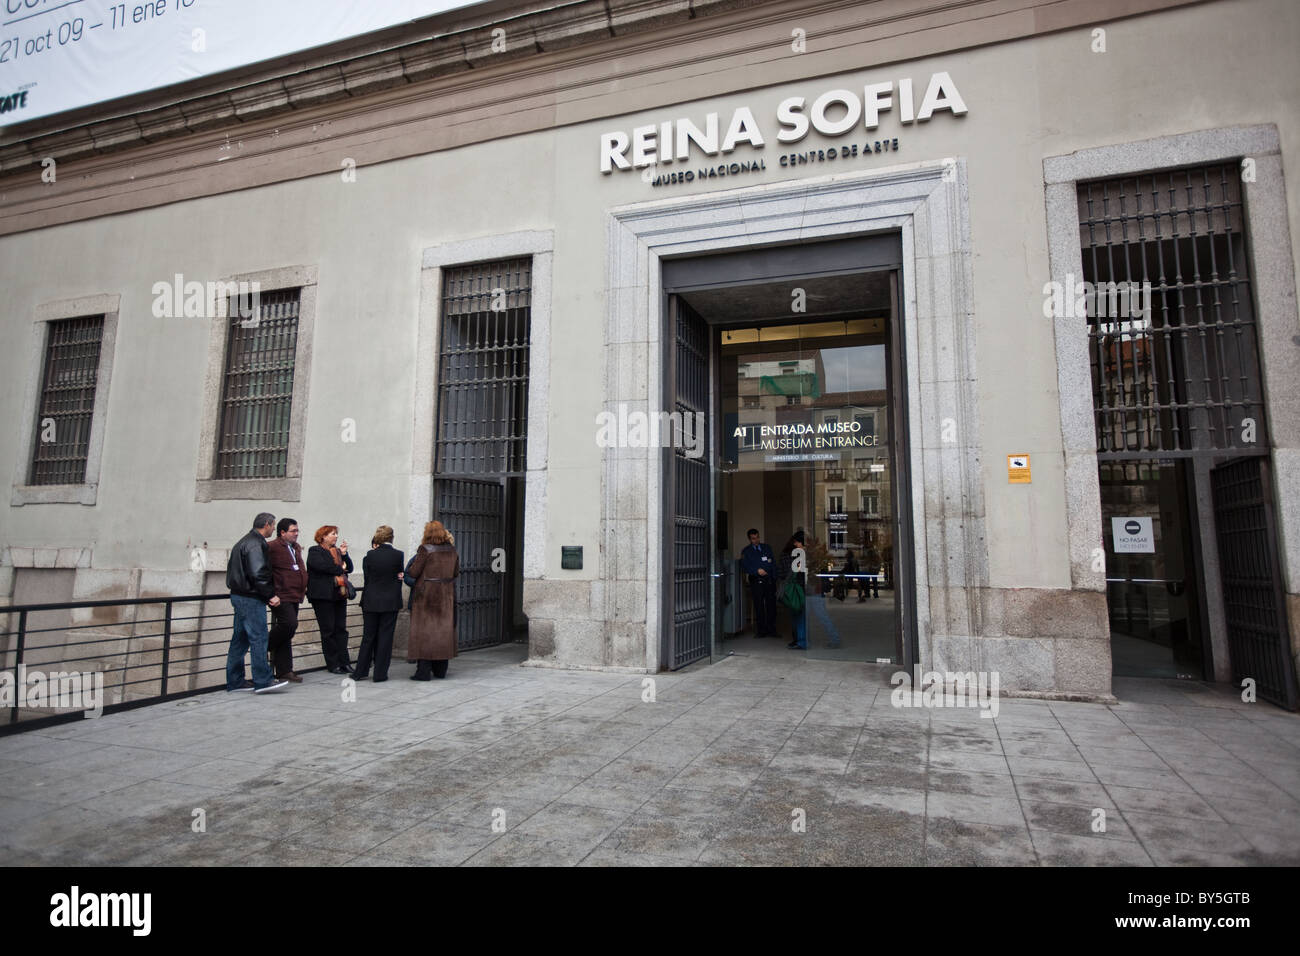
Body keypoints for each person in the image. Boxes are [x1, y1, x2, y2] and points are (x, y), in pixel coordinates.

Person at [225, 512, 289, 694]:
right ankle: (263, 680)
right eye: (273, 525)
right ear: (267, 524)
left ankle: (235, 681)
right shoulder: (255, 544)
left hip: (239, 595)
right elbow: (258, 573)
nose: (274, 529)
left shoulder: (244, 541)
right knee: (259, 637)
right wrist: (270, 595)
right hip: (251, 597)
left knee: (240, 639)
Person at [406, 520, 459, 680]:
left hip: (427, 595)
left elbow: (414, 572)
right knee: (443, 632)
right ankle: (440, 670)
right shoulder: (452, 550)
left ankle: (423, 671)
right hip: (446, 594)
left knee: (425, 633)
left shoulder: (425, 549)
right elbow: (456, 572)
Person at [356, 525, 404, 683]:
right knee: (385, 637)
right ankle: (380, 673)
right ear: (392, 537)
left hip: (371, 599)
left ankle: (360, 671)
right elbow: (399, 576)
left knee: (368, 637)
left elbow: (368, 578)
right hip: (390, 601)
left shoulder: (370, 555)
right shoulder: (398, 555)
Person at [307, 525, 355, 674]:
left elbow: (350, 568)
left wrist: (344, 555)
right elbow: (324, 567)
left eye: (336, 534)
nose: (336, 536)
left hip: (339, 595)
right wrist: (341, 567)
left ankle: (344, 662)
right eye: (332, 534)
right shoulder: (315, 551)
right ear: (323, 536)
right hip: (323, 596)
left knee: (341, 629)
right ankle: (333, 663)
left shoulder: (338, 552)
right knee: (328, 630)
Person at [266, 517, 308, 682]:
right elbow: (265, 571)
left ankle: (285, 670)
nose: (296, 534)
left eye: (297, 530)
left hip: (295, 594)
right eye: (293, 531)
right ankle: (264, 645)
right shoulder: (272, 547)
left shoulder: (295, 547)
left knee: (288, 632)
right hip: (281, 595)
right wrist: (270, 593)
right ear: (282, 532)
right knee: (289, 625)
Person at [740, 528, 777, 637]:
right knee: (759, 605)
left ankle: (772, 629)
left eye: (757, 537)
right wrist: (756, 571)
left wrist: (773, 576)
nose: (756, 540)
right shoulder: (746, 551)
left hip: (768, 580)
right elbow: (744, 567)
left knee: (771, 605)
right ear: (749, 539)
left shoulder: (766, 548)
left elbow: (772, 562)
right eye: (753, 539)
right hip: (756, 580)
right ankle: (761, 630)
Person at [777, 530, 807, 650]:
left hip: (796, 589)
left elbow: (785, 573)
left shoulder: (796, 555)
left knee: (797, 616)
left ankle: (800, 641)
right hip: (800, 588)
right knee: (802, 616)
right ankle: (801, 640)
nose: (796, 545)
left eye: (798, 543)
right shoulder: (801, 555)